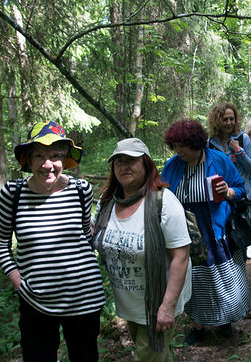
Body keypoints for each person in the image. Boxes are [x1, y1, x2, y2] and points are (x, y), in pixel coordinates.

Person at [0, 121, 105, 362]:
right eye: (39, 156)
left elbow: (86, 234)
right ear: (28, 160)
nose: (47, 165)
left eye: (55, 156)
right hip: (35, 301)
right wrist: (18, 282)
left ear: (65, 159)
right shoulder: (12, 194)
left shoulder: (81, 189)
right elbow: (1, 243)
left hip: (85, 298)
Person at [92, 138, 191, 361]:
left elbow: (181, 257)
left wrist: (167, 306)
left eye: (132, 161)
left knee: (147, 356)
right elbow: (96, 237)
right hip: (129, 301)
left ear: (146, 165)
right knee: (158, 355)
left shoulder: (163, 202)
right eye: (119, 161)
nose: (124, 166)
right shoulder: (107, 201)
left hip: (158, 301)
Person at [161, 119, 248, 346]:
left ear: (196, 143)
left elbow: (241, 188)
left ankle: (224, 321)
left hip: (214, 230)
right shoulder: (172, 165)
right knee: (192, 279)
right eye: (176, 146)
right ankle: (197, 326)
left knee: (220, 277)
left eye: (183, 146)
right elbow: (161, 196)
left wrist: (229, 191)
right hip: (184, 233)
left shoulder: (218, 160)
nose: (179, 151)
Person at [207, 102, 251, 258]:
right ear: (217, 121)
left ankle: (240, 278)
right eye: (225, 119)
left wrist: (239, 151)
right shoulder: (210, 143)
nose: (229, 123)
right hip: (221, 201)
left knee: (240, 243)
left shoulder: (242, 139)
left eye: (232, 119)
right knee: (224, 243)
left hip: (241, 199)